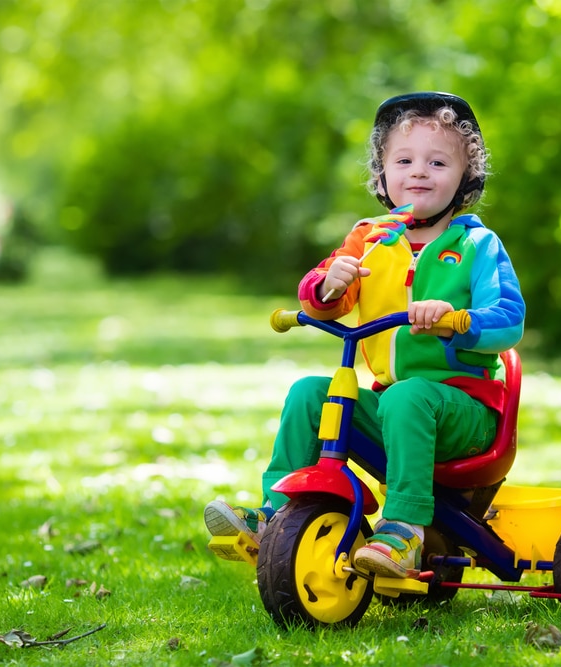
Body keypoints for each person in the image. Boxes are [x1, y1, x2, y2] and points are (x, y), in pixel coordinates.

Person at [204, 92, 525, 578]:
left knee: (410, 397)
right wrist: (330, 286)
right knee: (313, 393)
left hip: (465, 411)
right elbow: (318, 293)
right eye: (404, 160)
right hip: (395, 403)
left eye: (438, 162)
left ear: (465, 177)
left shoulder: (477, 244)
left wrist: (457, 320)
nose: (419, 172)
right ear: (383, 173)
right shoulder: (371, 238)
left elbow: (509, 318)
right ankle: (275, 514)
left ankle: (405, 529)